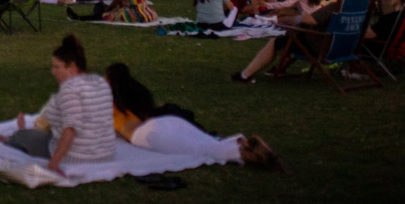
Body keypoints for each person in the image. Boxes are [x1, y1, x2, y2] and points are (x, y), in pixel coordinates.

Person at [106, 63, 281, 169]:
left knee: (205, 151)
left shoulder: (108, 102)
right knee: (208, 142)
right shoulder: (137, 94)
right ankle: (243, 143)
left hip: (146, 134)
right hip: (167, 122)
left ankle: (251, 155)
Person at [0, 35, 115, 174]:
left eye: (57, 67)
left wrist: (54, 163)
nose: (53, 72)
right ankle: (19, 133)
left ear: (71, 67)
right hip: (105, 154)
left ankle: (8, 138)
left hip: (76, 157)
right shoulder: (100, 82)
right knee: (44, 131)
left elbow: (70, 129)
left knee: (23, 136)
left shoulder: (70, 91)